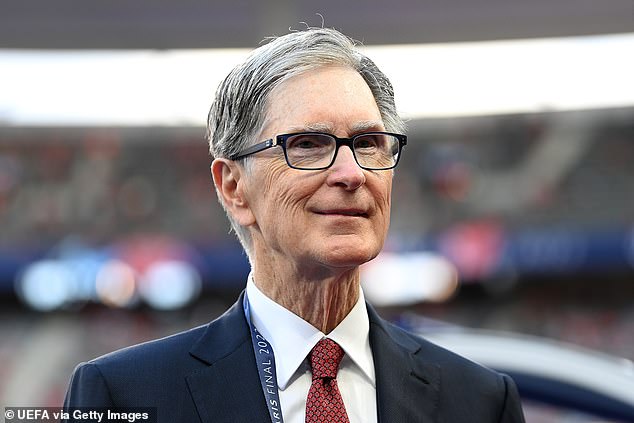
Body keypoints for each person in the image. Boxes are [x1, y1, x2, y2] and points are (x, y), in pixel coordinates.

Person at [64, 27, 526, 422]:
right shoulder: (122, 395)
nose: (352, 173)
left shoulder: (480, 402)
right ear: (233, 187)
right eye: (307, 144)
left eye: (368, 142)